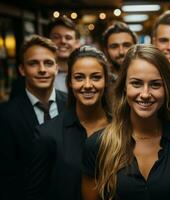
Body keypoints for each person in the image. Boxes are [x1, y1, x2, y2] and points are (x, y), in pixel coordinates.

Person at [81, 44, 170, 200]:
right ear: (124, 87)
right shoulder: (98, 144)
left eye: (155, 84)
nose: (145, 94)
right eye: (136, 83)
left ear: (166, 89)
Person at [26, 45, 111, 200]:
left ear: (106, 81)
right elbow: (36, 194)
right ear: (70, 82)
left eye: (96, 77)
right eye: (79, 77)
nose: (87, 85)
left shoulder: (123, 126)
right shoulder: (48, 134)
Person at [0, 35, 67, 200]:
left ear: (56, 68)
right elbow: (5, 175)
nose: (42, 69)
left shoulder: (72, 106)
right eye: (33, 63)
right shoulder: (5, 116)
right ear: (22, 70)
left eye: (48, 63)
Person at [48, 15, 80, 92]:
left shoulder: (86, 73)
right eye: (56, 37)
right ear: (48, 41)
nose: (63, 41)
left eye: (68, 38)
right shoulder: (39, 75)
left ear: (77, 43)